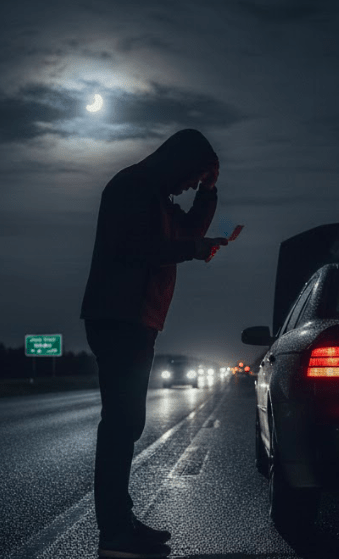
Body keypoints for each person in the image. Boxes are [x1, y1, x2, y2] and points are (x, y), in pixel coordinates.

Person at [80, 129, 229, 559]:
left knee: (127, 423)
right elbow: (141, 246)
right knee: (120, 424)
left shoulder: (157, 197)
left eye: (197, 181)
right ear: (176, 161)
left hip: (137, 318)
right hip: (119, 316)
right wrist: (194, 248)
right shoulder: (132, 187)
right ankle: (114, 531)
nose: (189, 186)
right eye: (192, 177)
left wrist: (209, 192)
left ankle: (121, 522)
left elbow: (185, 233)